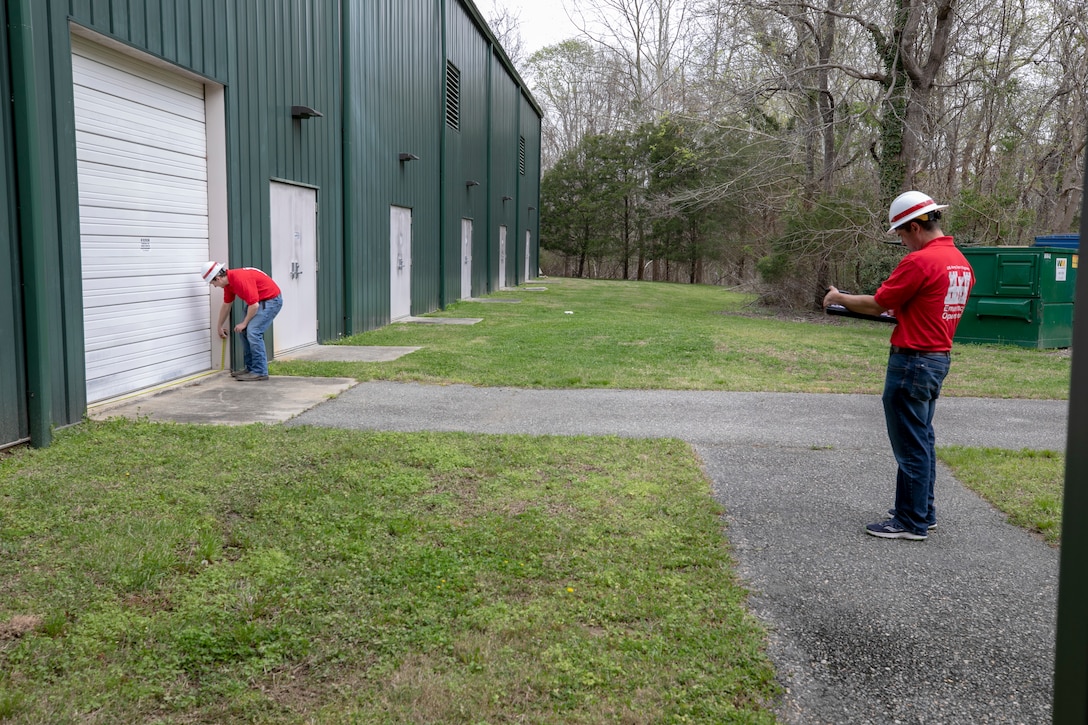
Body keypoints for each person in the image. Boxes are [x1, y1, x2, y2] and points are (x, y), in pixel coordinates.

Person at [823, 191, 974, 541]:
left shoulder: (921, 261)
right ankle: (922, 511)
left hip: (912, 362)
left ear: (917, 226)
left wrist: (838, 297)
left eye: (903, 234)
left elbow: (878, 304)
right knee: (921, 439)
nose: (903, 242)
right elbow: (924, 305)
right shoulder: (959, 262)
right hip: (937, 359)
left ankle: (910, 522)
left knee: (910, 444)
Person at [200, 261, 283, 381]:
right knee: (244, 331)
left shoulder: (240, 279)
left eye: (213, 283)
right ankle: (250, 369)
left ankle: (260, 371)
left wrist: (244, 323)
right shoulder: (229, 284)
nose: (214, 286)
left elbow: (254, 305)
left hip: (271, 301)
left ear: (218, 278)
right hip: (259, 301)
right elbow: (226, 305)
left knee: (253, 332)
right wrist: (219, 326)